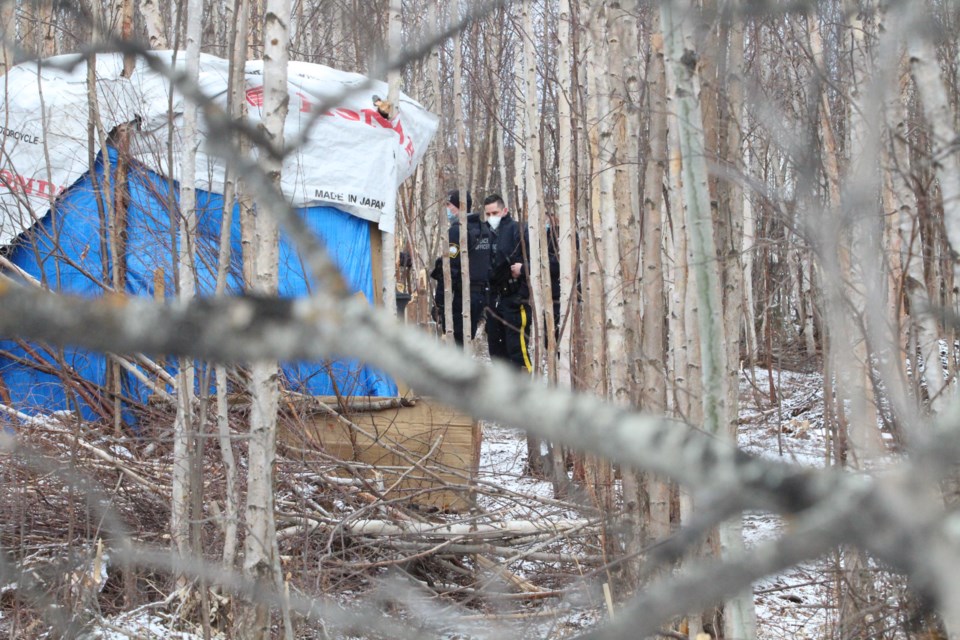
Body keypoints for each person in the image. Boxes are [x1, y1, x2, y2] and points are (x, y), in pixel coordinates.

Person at [430, 190, 491, 345]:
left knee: (455, 346)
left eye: (448, 205)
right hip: (479, 297)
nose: (446, 209)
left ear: (460, 206)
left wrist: (440, 303)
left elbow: (450, 270)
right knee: (465, 341)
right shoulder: (484, 230)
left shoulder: (457, 231)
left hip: (460, 298)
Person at [483, 193, 532, 372]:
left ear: (504, 210)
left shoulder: (518, 230)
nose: (491, 218)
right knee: (496, 351)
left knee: (517, 352)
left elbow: (538, 262)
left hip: (515, 299)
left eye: (494, 213)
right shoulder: (484, 233)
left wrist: (523, 272)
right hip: (493, 300)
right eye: (487, 214)